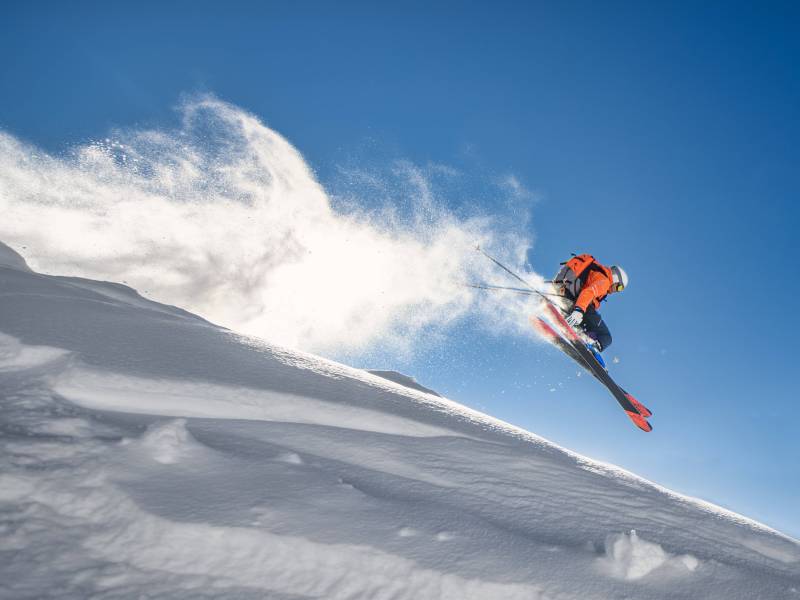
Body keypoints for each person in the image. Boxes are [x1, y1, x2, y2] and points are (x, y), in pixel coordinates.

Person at [552, 254, 628, 353]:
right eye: (619, 287)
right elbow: (589, 292)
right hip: (577, 304)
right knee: (606, 337)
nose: (617, 291)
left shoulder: (597, 274)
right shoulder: (605, 281)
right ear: (615, 278)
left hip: (566, 295)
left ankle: (581, 335)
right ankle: (593, 346)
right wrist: (578, 310)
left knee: (590, 324)